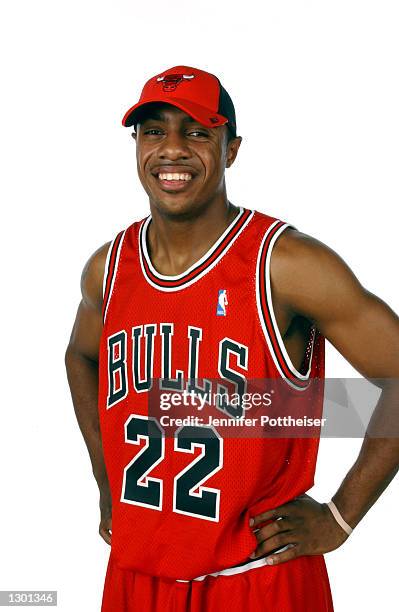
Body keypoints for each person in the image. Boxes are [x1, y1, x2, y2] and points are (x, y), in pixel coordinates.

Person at [64, 65, 399, 611]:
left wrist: (340, 517)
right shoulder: (110, 268)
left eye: (197, 132)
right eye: (154, 131)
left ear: (232, 149)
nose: (172, 150)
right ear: (136, 145)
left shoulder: (285, 265)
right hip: (136, 573)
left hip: (257, 579)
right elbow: (81, 358)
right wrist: (108, 482)